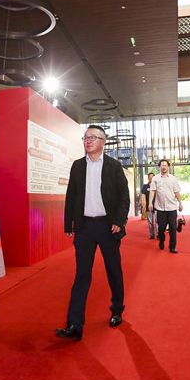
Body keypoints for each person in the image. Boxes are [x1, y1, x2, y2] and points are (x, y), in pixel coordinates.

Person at [56, 125, 130, 341]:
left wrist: (119, 221)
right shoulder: (78, 166)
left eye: (93, 137)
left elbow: (124, 197)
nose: (88, 141)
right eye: (85, 137)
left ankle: (117, 310)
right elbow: (71, 195)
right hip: (84, 227)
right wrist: (68, 224)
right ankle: (74, 324)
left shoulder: (114, 166)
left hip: (108, 227)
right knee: (82, 274)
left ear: (103, 142)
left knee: (113, 270)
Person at [150, 159, 183, 254]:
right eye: (162, 165)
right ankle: (161, 240)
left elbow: (177, 192)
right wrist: (150, 203)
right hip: (160, 208)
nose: (164, 167)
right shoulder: (155, 179)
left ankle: (172, 247)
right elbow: (152, 191)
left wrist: (180, 203)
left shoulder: (173, 179)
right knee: (161, 228)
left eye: (165, 165)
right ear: (159, 167)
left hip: (172, 208)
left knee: (173, 228)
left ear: (168, 167)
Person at [140, 172, 156, 239]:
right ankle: (152, 234)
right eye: (150, 177)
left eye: (152, 177)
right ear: (148, 178)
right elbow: (143, 195)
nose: (151, 178)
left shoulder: (157, 186)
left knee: (157, 221)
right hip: (148, 207)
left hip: (157, 206)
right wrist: (143, 204)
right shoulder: (145, 186)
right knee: (150, 222)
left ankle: (158, 234)